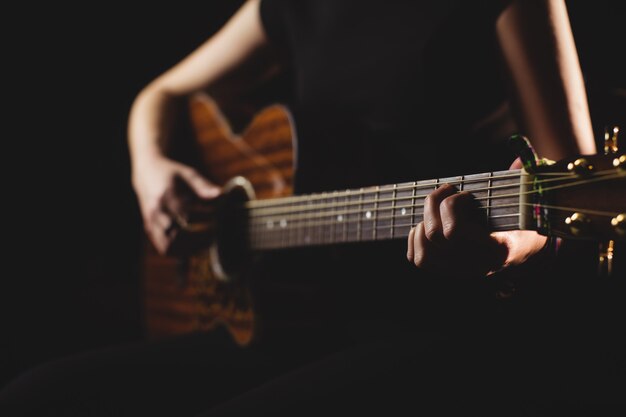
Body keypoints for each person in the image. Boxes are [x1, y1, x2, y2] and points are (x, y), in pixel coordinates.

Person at [2, 0, 622, 415]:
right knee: (36, 396)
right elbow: (158, 96)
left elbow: (562, 214)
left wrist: (498, 253)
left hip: (442, 325)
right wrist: (151, 168)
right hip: (299, 313)